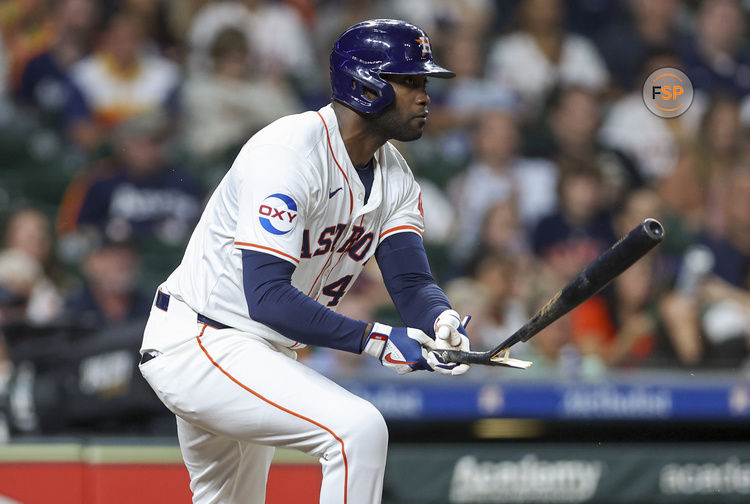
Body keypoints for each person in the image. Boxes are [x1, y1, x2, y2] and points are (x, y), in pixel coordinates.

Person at [138, 20, 472, 503]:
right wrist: (377, 340)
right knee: (357, 429)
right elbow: (268, 297)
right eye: (410, 82)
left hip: (257, 352)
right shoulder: (288, 153)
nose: (424, 96)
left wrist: (439, 320)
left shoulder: (395, 174)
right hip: (205, 339)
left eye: (424, 84)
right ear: (366, 84)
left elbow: (412, 280)